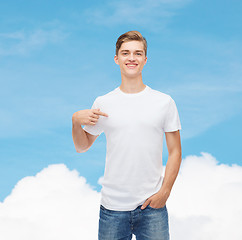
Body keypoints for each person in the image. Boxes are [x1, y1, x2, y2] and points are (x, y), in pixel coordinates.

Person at [72, 30, 182, 240]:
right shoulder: (103, 102)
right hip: (112, 208)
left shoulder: (164, 102)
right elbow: (82, 146)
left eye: (138, 53)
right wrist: (75, 121)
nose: (132, 58)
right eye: (126, 53)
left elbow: (175, 150)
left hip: (152, 208)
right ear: (117, 59)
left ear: (145, 59)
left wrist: (165, 192)